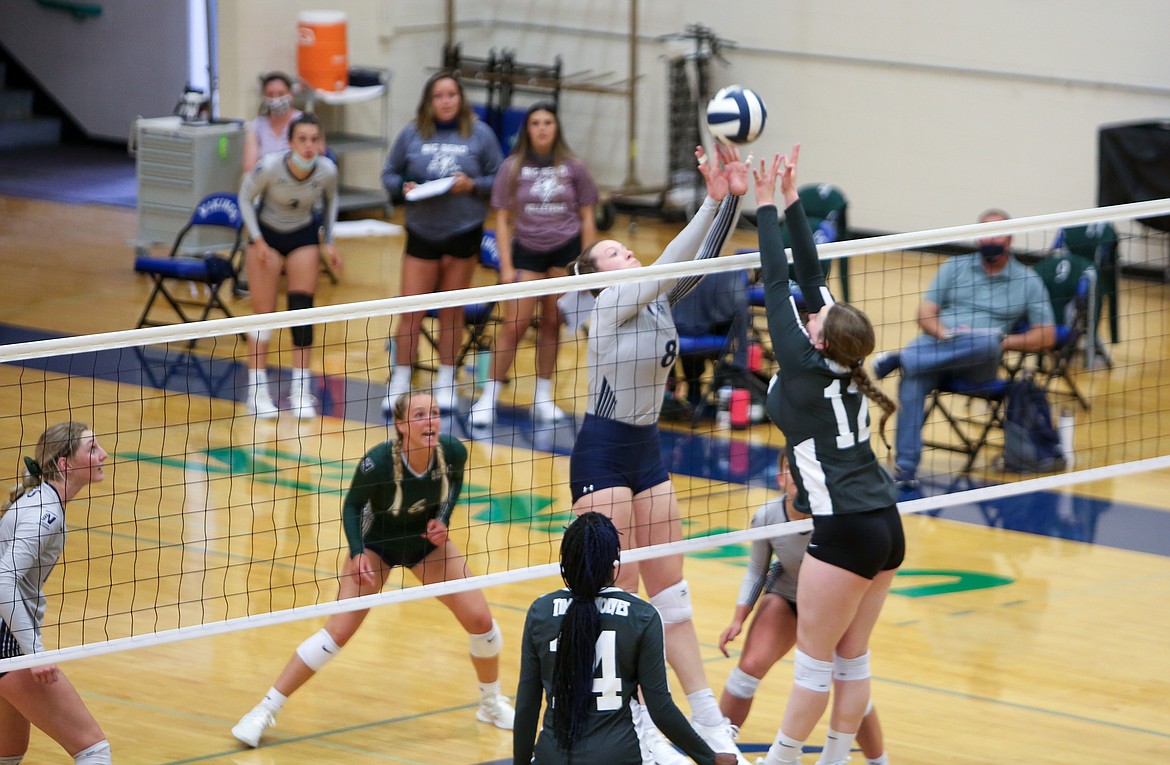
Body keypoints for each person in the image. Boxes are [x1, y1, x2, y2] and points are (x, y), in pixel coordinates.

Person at [563, 142, 750, 765]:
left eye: (625, 249)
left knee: (672, 598)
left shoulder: (660, 297)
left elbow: (698, 257)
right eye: (614, 251)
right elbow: (673, 255)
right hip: (603, 454)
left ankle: (707, 721)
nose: (627, 252)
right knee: (617, 601)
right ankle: (634, 729)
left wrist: (730, 197)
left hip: (647, 454)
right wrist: (709, 200)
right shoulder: (609, 304)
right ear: (596, 275)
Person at [231, 392, 515, 748]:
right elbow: (351, 506)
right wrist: (356, 552)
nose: (430, 421)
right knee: (337, 633)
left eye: (434, 414)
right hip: (375, 547)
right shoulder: (378, 463)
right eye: (419, 415)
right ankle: (264, 709)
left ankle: (490, 703)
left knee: (482, 624)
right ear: (401, 425)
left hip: (424, 545)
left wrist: (442, 519)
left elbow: (454, 484)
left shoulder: (452, 451)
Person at [752, 146, 904, 765]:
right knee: (852, 657)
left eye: (816, 321)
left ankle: (784, 759)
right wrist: (791, 202)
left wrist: (762, 202)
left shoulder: (803, 366)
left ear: (820, 338)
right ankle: (838, 759)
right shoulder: (837, 365)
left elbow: (776, 279)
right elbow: (812, 280)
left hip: (842, 532)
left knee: (815, 665)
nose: (809, 317)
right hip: (886, 527)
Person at [514, 512, 738, 765]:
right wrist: (709, 758)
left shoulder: (540, 611)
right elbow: (660, 709)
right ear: (615, 563)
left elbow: (526, 706)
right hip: (621, 755)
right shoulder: (641, 615)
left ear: (565, 561)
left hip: (552, 757)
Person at [718, 453, 890, 765]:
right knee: (750, 666)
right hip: (788, 597)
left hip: (835, 605)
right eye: (791, 471)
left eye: (804, 471)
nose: (798, 478)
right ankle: (717, 745)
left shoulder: (835, 517)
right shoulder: (767, 516)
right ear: (781, 478)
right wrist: (737, 619)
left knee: (848, 680)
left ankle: (878, 761)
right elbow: (757, 571)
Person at [871, 208, 1055, 489]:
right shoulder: (954, 268)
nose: (989, 240)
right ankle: (906, 468)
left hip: (980, 362)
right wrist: (945, 334)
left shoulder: (1028, 281)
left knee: (985, 341)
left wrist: (1001, 341)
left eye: (996, 234)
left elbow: (1047, 335)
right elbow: (924, 314)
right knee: (912, 379)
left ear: (1010, 238)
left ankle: (903, 358)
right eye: (984, 234)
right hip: (938, 345)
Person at [381, 71, 505, 415]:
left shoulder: (480, 134)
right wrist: (402, 187)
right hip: (422, 232)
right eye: (439, 95)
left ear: (460, 99)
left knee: (452, 312)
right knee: (411, 310)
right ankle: (400, 380)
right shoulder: (411, 133)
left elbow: (500, 177)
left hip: (463, 231)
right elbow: (389, 173)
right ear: (429, 101)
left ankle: (447, 380)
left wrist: (474, 185)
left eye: (452, 94)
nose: (446, 101)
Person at [469, 101, 599, 428]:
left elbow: (587, 218)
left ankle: (543, 396)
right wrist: (506, 268)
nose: (542, 128)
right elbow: (501, 220)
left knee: (553, 323)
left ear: (557, 128)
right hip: (527, 251)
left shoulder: (575, 168)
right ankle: (489, 397)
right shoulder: (511, 168)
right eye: (535, 123)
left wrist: (586, 267)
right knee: (515, 324)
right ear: (527, 129)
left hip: (565, 252)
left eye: (548, 123)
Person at [0, 422, 112, 764]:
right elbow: (3, 579)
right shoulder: (44, 515)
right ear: (65, 464)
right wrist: (33, 651)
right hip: (8, 642)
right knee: (93, 749)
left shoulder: (43, 502)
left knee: (8, 754)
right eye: (92, 448)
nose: (103, 454)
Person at [238, 112, 342, 420]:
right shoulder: (270, 166)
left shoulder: (326, 170)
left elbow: (332, 201)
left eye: (314, 139)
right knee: (264, 317)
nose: (309, 146)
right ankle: (256, 393)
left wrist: (329, 241)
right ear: (290, 142)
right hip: (266, 237)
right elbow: (244, 198)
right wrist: (257, 241)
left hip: (303, 235)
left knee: (302, 312)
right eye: (302, 139)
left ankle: (300, 392)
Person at [242, 71, 303, 173]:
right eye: (270, 94)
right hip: (266, 181)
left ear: (291, 94)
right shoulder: (255, 127)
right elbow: (249, 167)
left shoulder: (304, 121)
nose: (276, 99)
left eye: (281, 94)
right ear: (264, 97)